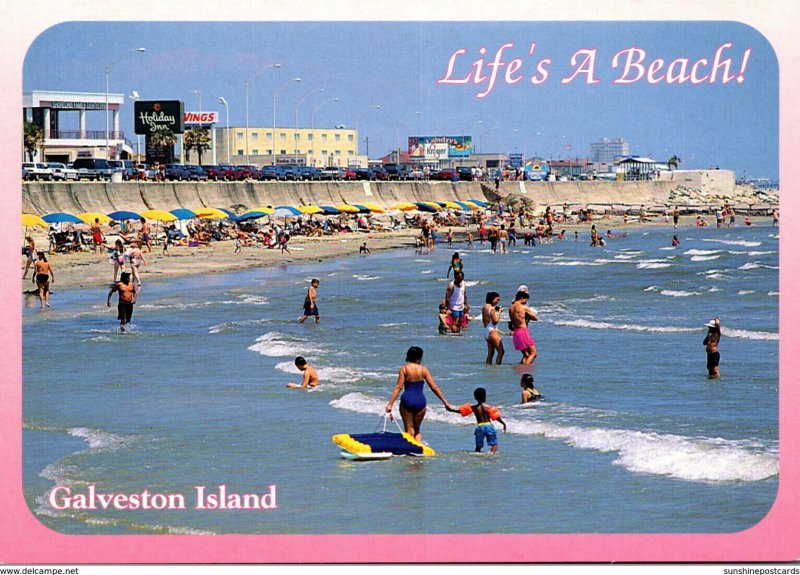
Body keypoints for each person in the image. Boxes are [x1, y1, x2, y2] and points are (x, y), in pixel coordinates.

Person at [385, 346, 453, 442]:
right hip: (420, 401)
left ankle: (409, 453)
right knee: (417, 430)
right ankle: (418, 453)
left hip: (407, 400)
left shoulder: (404, 369)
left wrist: (390, 404)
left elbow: (398, 387)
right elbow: (434, 387)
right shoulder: (424, 370)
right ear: (420, 357)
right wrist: (445, 402)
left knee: (409, 430)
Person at [447, 387, 506, 454]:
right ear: (485, 397)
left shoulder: (474, 408)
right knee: (494, 444)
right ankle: (492, 455)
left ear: (475, 397)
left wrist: (451, 410)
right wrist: (503, 424)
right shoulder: (489, 407)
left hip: (480, 427)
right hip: (489, 426)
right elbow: (496, 417)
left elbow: (461, 412)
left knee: (478, 446)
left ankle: (477, 455)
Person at [509, 289, 539, 364]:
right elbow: (536, 318)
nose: (526, 302)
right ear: (522, 298)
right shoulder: (523, 307)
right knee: (533, 353)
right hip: (523, 331)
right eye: (526, 300)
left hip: (516, 332)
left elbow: (513, 321)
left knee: (526, 355)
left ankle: (521, 370)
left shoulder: (511, 308)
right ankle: (525, 369)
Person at [482, 291, 504, 365]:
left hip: (486, 330)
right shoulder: (491, 308)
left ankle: (488, 368)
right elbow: (495, 321)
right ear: (492, 299)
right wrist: (500, 312)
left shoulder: (484, 307)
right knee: (501, 351)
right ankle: (498, 368)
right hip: (492, 331)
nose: (498, 301)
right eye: (497, 299)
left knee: (490, 353)